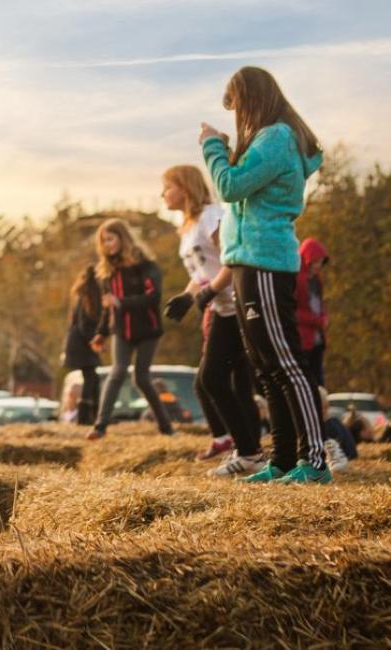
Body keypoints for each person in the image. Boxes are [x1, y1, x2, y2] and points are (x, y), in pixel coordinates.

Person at [196, 66, 328, 484]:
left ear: (252, 99)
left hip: (267, 261)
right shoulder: (269, 139)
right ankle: (285, 460)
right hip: (247, 262)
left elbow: (230, 187)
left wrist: (213, 148)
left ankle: (316, 462)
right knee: (267, 369)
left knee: (286, 363)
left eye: (236, 105)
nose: (236, 115)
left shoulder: (277, 138)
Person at [161, 164, 265, 473]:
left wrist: (210, 291)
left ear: (186, 187)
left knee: (219, 379)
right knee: (211, 380)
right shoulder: (188, 226)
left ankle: (251, 452)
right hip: (220, 308)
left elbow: (233, 258)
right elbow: (201, 273)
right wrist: (187, 295)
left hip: (239, 304)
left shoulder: (212, 215)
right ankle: (248, 451)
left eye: (167, 186)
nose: (162, 194)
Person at [86, 219, 174, 440]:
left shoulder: (145, 265)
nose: (107, 244)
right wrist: (101, 333)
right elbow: (109, 306)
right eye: (103, 241)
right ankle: (100, 427)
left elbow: (153, 296)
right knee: (117, 372)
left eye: (110, 238)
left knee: (142, 378)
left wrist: (122, 302)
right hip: (121, 331)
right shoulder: (108, 271)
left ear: (122, 238)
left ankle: (166, 427)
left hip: (147, 329)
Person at [62, 265, 102, 426]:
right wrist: (94, 341)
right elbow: (85, 325)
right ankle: (86, 416)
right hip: (82, 343)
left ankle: (92, 414)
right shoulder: (88, 298)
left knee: (93, 377)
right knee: (91, 377)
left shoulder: (81, 295)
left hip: (78, 341)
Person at [295, 238, 330, 387]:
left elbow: (319, 305)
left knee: (319, 382)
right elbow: (294, 312)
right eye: (316, 262)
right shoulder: (297, 280)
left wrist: (324, 318)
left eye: (321, 262)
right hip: (303, 340)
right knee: (306, 382)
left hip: (317, 340)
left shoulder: (316, 281)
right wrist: (318, 321)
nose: (318, 266)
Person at [319, 387, 355, 472]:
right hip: (349, 453)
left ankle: (335, 461)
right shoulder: (334, 422)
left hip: (344, 455)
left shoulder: (329, 426)